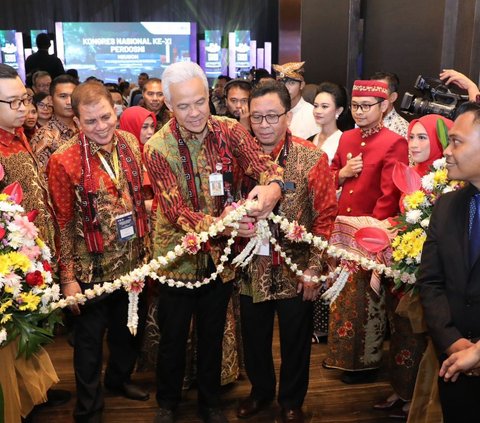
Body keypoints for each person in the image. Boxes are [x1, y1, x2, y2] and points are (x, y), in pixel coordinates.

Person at [143, 61, 284, 423]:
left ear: (210, 98)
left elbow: (265, 165)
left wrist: (272, 187)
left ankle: (209, 402)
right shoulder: (158, 148)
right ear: (169, 107)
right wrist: (230, 226)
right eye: (184, 106)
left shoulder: (230, 131)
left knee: (212, 333)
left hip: (220, 259)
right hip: (178, 257)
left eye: (200, 102)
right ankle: (168, 403)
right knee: (174, 338)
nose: (194, 113)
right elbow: (177, 213)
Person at [47, 81, 150, 423]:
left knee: (126, 333)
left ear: (115, 110)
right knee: (89, 346)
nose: (101, 126)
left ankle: (119, 381)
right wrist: (68, 279)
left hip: (133, 261)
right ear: (76, 121)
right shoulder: (64, 160)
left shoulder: (131, 143)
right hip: (90, 271)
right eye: (90, 122)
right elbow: (61, 222)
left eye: (106, 117)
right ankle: (89, 409)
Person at [236, 80, 337, 423]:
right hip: (250, 268)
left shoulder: (312, 159)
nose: (264, 125)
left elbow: (325, 216)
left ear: (288, 116)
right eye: (257, 118)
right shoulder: (239, 160)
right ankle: (261, 393)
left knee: (296, 340)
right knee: (254, 339)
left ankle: (292, 401)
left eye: (272, 117)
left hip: (296, 268)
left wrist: (315, 268)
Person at [324, 80, 409, 383]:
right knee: (340, 298)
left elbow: (389, 196)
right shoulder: (346, 138)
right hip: (341, 233)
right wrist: (343, 173)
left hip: (370, 237)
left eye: (366, 106)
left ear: (384, 106)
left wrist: (371, 235)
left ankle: (364, 363)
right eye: (356, 106)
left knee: (365, 302)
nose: (359, 112)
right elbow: (329, 177)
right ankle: (339, 357)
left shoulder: (394, 142)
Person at [0, 63, 70, 423]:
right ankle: (20, 400)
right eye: (12, 102)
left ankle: (33, 391)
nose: (22, 108)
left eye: (23, 99)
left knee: (30, 326)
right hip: (10, 260)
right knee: (14, 331)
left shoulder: (18, 134)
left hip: (32, 250)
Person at [374, 114, 452, 419]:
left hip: (426, 275)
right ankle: (401, 389)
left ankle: (416, 396)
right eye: (411, 137)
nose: (415, 144)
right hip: (401, 271)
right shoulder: (408, 173)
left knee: (421, 334)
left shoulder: (445, 181)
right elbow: (400, 216)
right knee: (400, 331)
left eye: (423, 137)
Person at [417, 101, 480, 423]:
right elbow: (430, 281)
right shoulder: (447, 205)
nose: (446, 150)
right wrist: (453, 342)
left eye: (456, 141)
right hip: (453, 362)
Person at [30, 74, 78, 171]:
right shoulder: (44, 136)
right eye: (63, 96)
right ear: (51, 100)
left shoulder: (85, 128)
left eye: (73, 96)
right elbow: (41, 179)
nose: (69, 102)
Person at [119, 105, 157, 212]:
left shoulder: (155, 153)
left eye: (152, 126)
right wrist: (144, 206)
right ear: (131, 126)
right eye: (144, 127)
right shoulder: (121, 159)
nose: (150, 132)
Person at [273, 61, 319, 140]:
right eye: (282, 83)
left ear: (301, 85)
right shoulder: (274, 111)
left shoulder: (312, 114)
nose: (286, 88)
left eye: (291, 83)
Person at [309, 81, 348, 164]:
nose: (318, 111)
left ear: (338, 111)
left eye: (324, 106)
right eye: (316, 106)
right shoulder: (310, 140)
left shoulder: (343, 142)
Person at [370, 71, 409, 137]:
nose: (373, 98)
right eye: (370, 93)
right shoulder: (364, 121)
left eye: (379, 93)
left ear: (392, 97)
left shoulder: (401, 130)